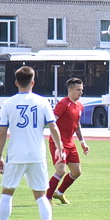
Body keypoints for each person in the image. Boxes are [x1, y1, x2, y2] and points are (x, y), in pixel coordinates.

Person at [0, 66, 64, 220]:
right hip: (37, 155)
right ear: (33, 82)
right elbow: (53, 127)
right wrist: (60, 149)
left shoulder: (9, 103)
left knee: (7, 193)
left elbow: (2, 132)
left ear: (16, 82)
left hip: (16, 155)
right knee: (40, 195)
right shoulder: (42, 102)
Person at [45, 77, 90, 205]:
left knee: (76, 172)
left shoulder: (80, 106)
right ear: (70, 90)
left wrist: (82, 142)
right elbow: (52, 122)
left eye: (81, 90)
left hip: (70, 144)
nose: (80, 92)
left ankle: (59, 193)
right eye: (78, 90)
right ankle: (47, 198)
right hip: (58, 143)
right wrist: (57, 141)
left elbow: (77, 125)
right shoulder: (63, 104)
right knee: (61, 170)